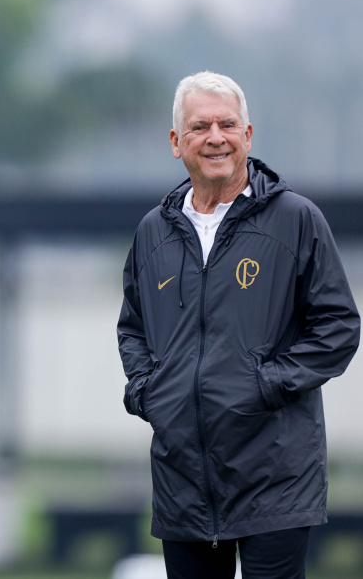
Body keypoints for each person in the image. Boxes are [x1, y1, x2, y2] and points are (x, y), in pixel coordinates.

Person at [117, 71, 360, 578]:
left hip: (276, 474)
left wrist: (266, 383)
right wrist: (146, 390)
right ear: (176, 141)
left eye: (228, 124)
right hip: (182, 477)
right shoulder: (152, 232)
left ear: (247, 136)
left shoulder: (297, 219)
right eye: (200, 125)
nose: (215, 137)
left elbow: (338, 327)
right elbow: (133, 327)